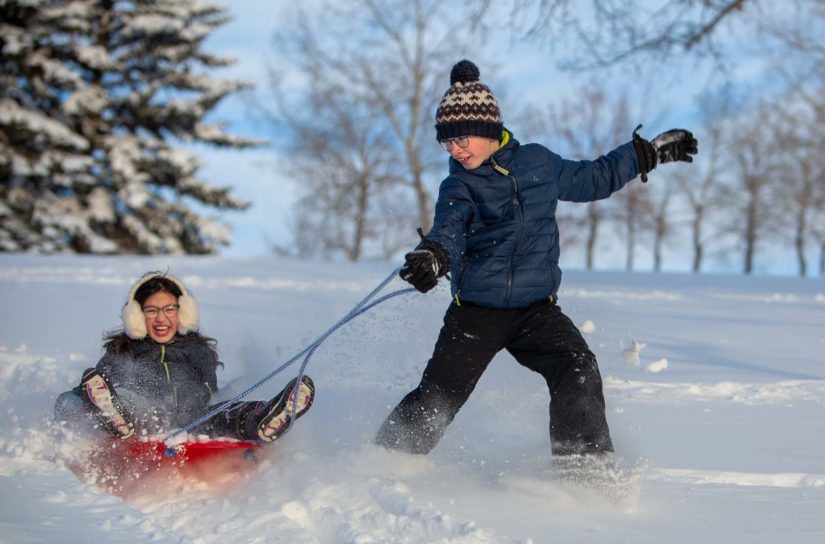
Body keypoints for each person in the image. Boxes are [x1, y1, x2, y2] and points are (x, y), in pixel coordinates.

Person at [375, 59, 698, 459]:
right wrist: (435, 255)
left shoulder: (539, 164)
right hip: (476, 312)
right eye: (447, 142)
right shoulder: (458, 185)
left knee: (577, 366)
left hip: (535, 310)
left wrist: (645, 154)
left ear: (488, 129)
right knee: (440, 394)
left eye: (462, 139)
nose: (455, 150)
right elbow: (449, 229)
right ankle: (386, 459)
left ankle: (582, 467)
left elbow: (594, 177)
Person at [54, 271, 315, 443]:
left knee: (226, 411)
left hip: (195, 419)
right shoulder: (124, 351)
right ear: (136, 316)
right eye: (151, 310)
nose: (161, 318)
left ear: (183, 313)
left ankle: (266, 417)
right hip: (144, 420)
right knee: (129, 400)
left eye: (169, 309)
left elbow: (212, 390)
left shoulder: (198, 351)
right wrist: (74, 403)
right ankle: (117, 418)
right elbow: (90, 392)